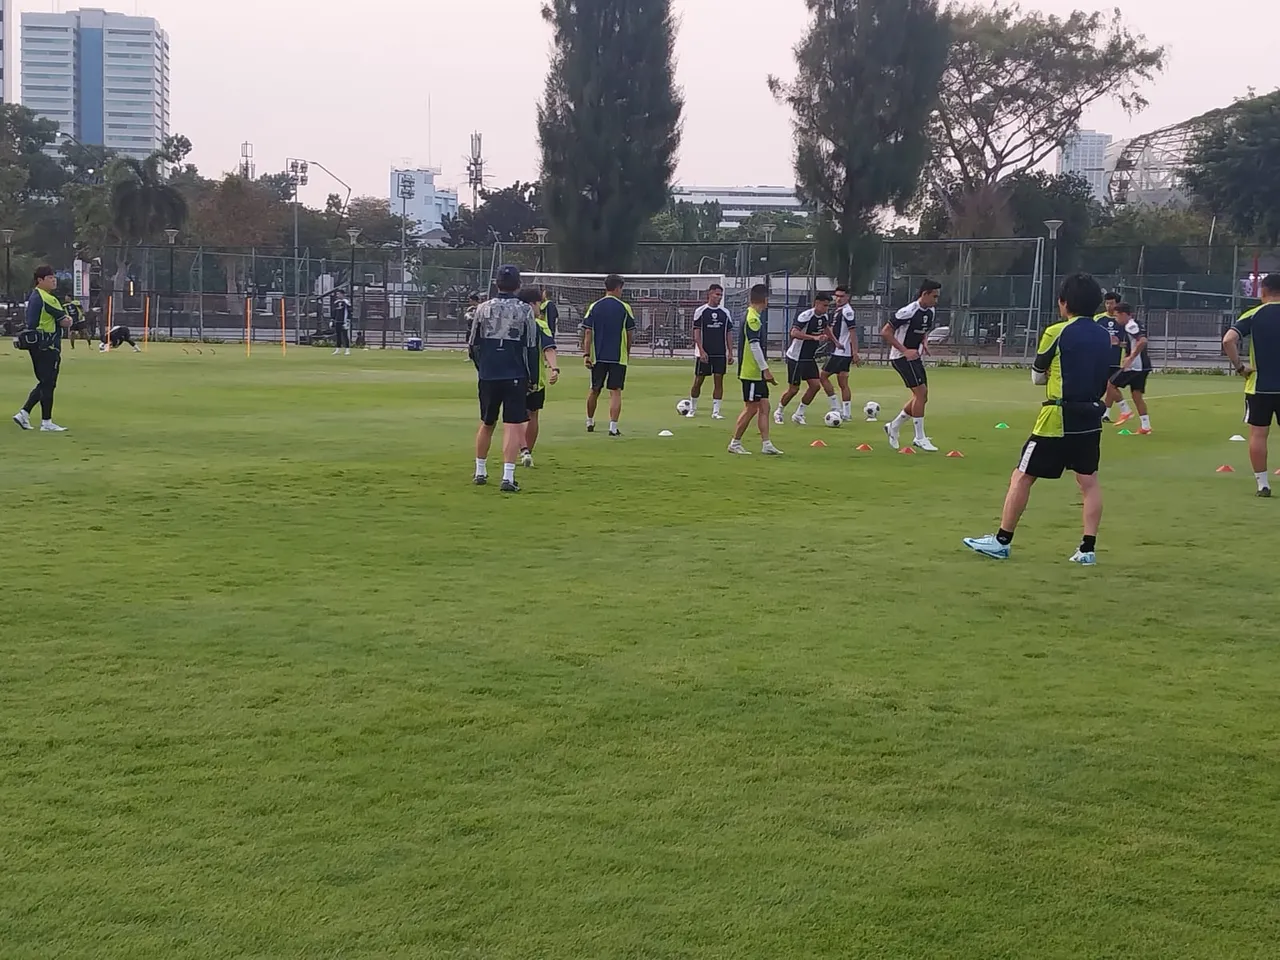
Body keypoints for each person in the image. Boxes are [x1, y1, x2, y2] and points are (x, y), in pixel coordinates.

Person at [964, 272, 1113, 564]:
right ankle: (1087, 549)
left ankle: (1002, 541)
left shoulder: (1056, 331)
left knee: (1022, 475)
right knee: (1089, 482)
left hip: (1057, 417)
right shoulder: (1104, 335)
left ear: (1064, 302)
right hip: (1091, 417)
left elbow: (1036, 375)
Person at [467, 264, 540, 493]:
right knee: (512, 424)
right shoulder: (524, 310)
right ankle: (508, 476)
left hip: (489, 373)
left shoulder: (482, 308)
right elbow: (531, 346)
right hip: (515, 373)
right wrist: (533, 377)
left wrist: (483, 368)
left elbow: (473, 345)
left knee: (487, 422)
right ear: (518, 285)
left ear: (496, 283)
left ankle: (480, 470)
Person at [1222, 273, 1280, 498]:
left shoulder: (1254, 314)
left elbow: (1228, 340)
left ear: (1263, 291)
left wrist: (1240, 367)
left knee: (1258, 434)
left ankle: (1262, 485)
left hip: (1260, 386)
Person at [882, 280, 941, 451]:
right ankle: (919, 437)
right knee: (920, 393)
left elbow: (922, 331)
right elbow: (885, 331)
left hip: (915, 357)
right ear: (925, 294)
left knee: (922, 396)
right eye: (934, 296)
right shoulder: (907, 311)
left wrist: (925, 342)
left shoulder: (930, 311)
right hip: (900, 357)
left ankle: (893, 426)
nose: (936, 300)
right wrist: (904, 350)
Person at [13, 265, 72, 432]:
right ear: (40, 280)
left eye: (54, 276)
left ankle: (24, 413)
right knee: (48, 382)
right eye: (50, 277)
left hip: (36, 344)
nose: (54, 280)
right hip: (48, 345)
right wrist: (67, 320)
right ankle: (46, 422)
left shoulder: (34, 296)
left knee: (45, 382)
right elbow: (64, 321)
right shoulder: (47, 298)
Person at [728, 284, 783, 456]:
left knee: (765, 406)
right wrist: (765, 370)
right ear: (765, 300)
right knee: (751, 407)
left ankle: (766, 444)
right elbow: (754, 346)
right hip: (751, 372)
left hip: (756, 373)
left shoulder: (754, 316)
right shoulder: (752, 318)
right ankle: (735, 443)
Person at [581, 274, 635, 437]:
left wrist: (586, 354)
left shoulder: (594, 306)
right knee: (615, 391)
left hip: (598, 356)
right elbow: (629, 332)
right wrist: (628, 351)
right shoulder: (625, 307)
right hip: (618, 357)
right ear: (618, 288)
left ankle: (590, 421)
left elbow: (588, 331)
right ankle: (613, 427)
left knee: (594, 389)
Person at [517, 287, 561, 468]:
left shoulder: (513, 323)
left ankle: (522, 449)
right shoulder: (540, 325)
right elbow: (548, 348)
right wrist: (554, 369)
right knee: (533, 415)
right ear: (532, 304)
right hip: (535, 379)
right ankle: (528, 452)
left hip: (513, 376)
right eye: (538, 304)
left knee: (516, 416)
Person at [773, 292, 832, 426]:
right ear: (816, 303)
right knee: (794, 389)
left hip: (808, 358)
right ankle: (779, 411)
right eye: (824, 305)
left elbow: (826, 328)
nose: (826, 308)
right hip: (796, 357)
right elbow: (794, 333)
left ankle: (799, 414)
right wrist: (814, 337)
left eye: (828, 306)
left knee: (815, 386)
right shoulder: (806, 316)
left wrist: (835, 341)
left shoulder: (824, 317)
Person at [682, 284, 734, 420]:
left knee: (719, 381)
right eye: (717, 294)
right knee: (698, 381)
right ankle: (692, 409)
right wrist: (701, 350)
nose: (719, 297)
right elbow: (697, 332)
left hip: (719, 352)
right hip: (704, 352)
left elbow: (728, 333)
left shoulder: (725, 313)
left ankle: (716, 412)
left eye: (721, 295)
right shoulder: (701, 311)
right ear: (710, 294)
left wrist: (730, 352)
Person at [820, 286, 861, 421]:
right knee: (843, 382)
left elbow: (853, 332)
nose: (838, 298)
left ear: (847, 297)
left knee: (823, 376)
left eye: (841, 296)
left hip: (841, 352)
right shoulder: (840, 310)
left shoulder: (847, 312)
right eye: (836, 296)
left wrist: (855, 352)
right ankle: (847, 413)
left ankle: (835, 407)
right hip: (842, 351)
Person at [1110, 302, 1153, 434]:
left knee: (1110, 385)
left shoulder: (1130, 326)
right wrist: (1121, 344)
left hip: (1135, 366)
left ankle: (1125, 411)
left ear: (1123, 314)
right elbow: (1136, 341)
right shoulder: (1135, 324)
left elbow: (1142, 341)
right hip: (1144, 365)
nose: (1116, 320)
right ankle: (1146, 426)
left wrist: (1131, 357)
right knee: (1137, 395)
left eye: (1117, 316)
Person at [1095, 292, 1125, 422]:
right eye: (1107, 303)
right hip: (1100, 359)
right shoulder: (1098, 319)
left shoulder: (1122, 320)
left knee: (1110, 386)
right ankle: (1106, 413)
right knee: (1106, 386)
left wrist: (1120, 343)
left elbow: (1129, 341)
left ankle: (1122, 410)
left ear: (1117, 304)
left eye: (1111, 303)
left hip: (1117, 360)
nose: (1109, 306)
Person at [331, 292, 353, 356]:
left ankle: (347, 350)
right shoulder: (336, 302)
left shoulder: (346, 302)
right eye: (337, 294)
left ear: (343, 294)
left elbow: (350, 311)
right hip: (337, 321)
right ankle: (337, 349)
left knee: (345, 335)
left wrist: (348, 320)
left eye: (339, 294)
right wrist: (332, 320)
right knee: (338, 336)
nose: (338, 295)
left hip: (344, 321)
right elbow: (334, 312)